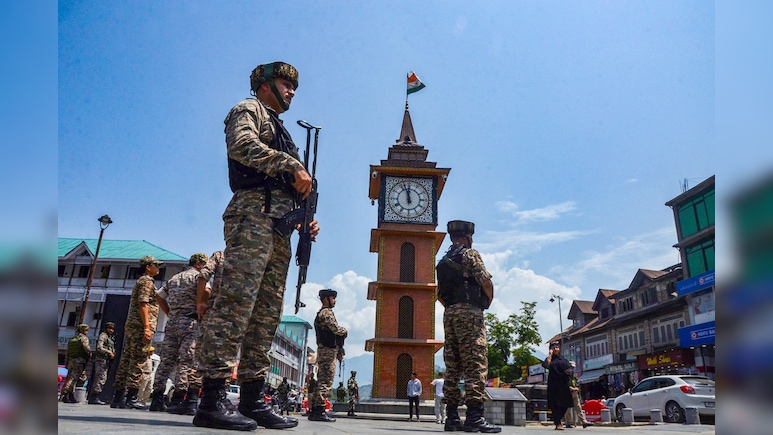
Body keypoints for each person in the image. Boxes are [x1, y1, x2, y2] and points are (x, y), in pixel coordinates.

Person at [194, 61, 319, 432]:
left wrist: (303, 217)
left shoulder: (282, 128)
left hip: (279, 229)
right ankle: (212, 398)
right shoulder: (249, 110)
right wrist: (289, 164)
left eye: (293, 87)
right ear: (264, 85)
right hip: (252, 218)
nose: (291, 91)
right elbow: (241, 145)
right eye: (285, 84)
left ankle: (251, 398)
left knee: (265, 316)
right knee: (235, 303)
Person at [436, 220, 501, 433]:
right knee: (475, 362)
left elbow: (439, 295)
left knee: (453, 364)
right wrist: (487, 301)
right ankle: (475, 417)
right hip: (470, 313)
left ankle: (452, 418)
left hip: (450, 314)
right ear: (467, 236)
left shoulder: (443, 262)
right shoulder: (470, 255)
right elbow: (486, 282)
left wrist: (453, 308)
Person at [150, 252, 208, 415]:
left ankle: (156, 399)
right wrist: (201, 307)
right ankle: (178, 399)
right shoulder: (199, 278)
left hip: (173, 322)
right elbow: (208, 292)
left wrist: (169, 312)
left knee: (166, 360)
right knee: (186, 360)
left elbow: (159, 295)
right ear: (198, 263)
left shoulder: (174, 278)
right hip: (189, 322)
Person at [111, 255, 163, 409]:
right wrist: (147, 327)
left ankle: (118, 397)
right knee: (138, 360)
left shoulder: (142, 281)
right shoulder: (147, 281)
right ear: (148, 266)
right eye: (156, 265)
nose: (158, 268)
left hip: (134, 326)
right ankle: (131, 398)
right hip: (140, 326)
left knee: (126, 360)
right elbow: (143, 303)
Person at [309, 289, 347, 422]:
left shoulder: (321, 313)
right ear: (326, 299)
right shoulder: (326, 313)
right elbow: (335, 329)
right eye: (333, 298)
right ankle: (319, 410)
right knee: (326, 381)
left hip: (324, 349)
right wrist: (345, 331)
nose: (335, 301)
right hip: (328, 351)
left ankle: (314, 411)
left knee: (321, 380)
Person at [543, 340, 573, 431]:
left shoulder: (563, 359)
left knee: (566, 403)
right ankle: (558, 423)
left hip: (563, 384)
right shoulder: (550, 359)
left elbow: (570, 369)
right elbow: (546, 365)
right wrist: (550, 354)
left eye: (557, 347)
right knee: (554, 404)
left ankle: (558, 419)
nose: (555, 349)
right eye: (553, 347)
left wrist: (569, 372)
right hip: (553, 385)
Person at [60, 324, 92, 403]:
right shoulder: (83, 339)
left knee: (69, 377)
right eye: (86, 330)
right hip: (79, 361)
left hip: (71, 361)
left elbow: (67, 353)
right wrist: (91, 355)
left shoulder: (73, 339)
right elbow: (87, 349)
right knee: (73, 378)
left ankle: (70, 396)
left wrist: (66, 363)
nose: (87, 332)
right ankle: (65, 393)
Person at [88, 321, 116, 405]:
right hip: (101, 360)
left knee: (102, 378)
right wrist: (109, 352)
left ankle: (95, 396)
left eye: (112, 329)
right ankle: (94, 397)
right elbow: (99, 347)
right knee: (100, 378)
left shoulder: (110, 337)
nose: (111, 330)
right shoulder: (103, 336)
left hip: (106, 360)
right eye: (109, 328)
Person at [564, 360, 593, 428]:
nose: (571, 369)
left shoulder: (574, 376)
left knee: (578, 407)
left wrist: (577, 388)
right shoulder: (564, 376)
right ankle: (568, 423)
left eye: (573, 368)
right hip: (567, 393)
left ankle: (583, 421)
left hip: (575, 393)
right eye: (570, 367)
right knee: (568, 409)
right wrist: (572, 388)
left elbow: (577, 383)